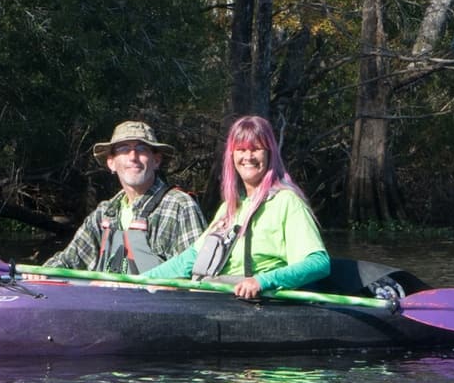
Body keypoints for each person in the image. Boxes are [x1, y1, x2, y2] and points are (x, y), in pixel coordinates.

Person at [142, 115, 329, 298]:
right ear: (232, 155)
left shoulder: (287, 201)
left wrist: (261, 281)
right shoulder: (230, 207)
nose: (248, 156)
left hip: (259, 304)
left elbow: (318, 263)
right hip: (215, 296)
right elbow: (189, 259)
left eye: (256, 149)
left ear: (269, 153)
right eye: (241, 149)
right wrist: (140, 281)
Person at [40, 120, 207, 274]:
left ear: (156, 160)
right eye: (124, 149)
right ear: (111, 162)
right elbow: (68, 262)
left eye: (142, 149)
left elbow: (198, 270)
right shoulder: (104, 213)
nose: (133, 157)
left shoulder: (180, 205)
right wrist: (39, 276)